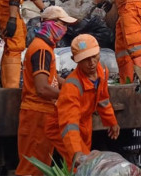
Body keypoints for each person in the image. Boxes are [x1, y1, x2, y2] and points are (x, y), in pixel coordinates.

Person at [16, 6, 77, 176]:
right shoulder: (42, 49)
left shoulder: (44, 47)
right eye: (62, 24)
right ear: (50, 24)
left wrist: (74, 86)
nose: (64, 29)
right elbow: (42, 88)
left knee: (40, 165)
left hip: (42, 115)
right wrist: (69, 95)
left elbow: (54, 79)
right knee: (31, 168)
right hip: (38, 115)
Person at [45, 34, 120, 168]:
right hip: (62, 127)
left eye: (93, 56)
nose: (91, 62)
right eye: (85, 59)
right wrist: (76, 152)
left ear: (99, 51)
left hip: (84, 123)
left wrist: (111, 122)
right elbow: (69, 123)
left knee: (84, 162)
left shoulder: (102, 72)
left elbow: (103, 100)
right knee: (82, 165)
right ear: (75, 60)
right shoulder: (72, 86)